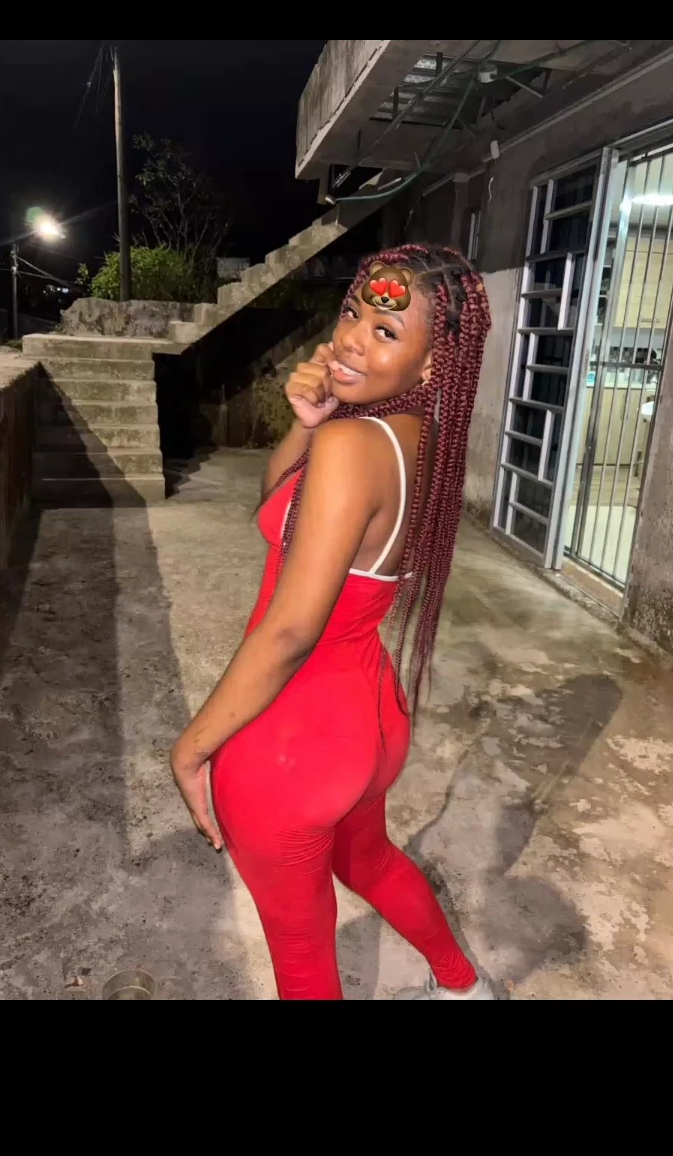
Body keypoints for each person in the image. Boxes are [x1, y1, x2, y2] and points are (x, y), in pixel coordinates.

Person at [171, 243, 494, 1002]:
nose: (350, 339)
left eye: (386, 332)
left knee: (303, 953)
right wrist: (308, 423)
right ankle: (463, 987)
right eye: (354, 312)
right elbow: (276, 512)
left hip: (294, 743)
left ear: (431, 365)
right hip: (371, 721)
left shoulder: (355, 444)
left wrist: (192, 748)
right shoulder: (411, 439)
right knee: (369, 861)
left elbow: (290, 632)